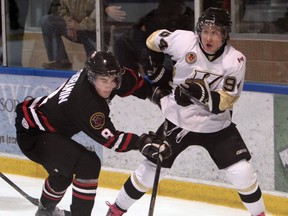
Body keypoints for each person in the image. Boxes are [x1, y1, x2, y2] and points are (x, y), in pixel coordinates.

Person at [106, 7, 268, 216]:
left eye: (215, 33)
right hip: (178, 120)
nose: (208, 38)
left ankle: (260, 214)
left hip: (216, 125)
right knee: (150, 169)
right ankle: (116, 211)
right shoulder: (183, 41)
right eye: (205, 31)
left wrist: (199, 93)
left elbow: (225, 101)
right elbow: (153, 39)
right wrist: (156, 68)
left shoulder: (235, 60)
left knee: (242, 173)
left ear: (225, 35)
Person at [14, 51, 172, 216]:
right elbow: (113, 140)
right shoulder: (85, 103)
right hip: (34, 133)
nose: (109, 85)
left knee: (63, 172)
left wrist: (156, 94)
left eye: (113, 80)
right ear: (91, 78)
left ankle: (45, 211)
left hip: (45, 124)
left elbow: (134, 83)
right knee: (87, 164)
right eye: (104, 81)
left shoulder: (109, 74)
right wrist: (141, 142)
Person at [112, 0, 194, 76]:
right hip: (153, 55)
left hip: (177, 56)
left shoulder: (188, 16)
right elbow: (139, 38)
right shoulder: (152, 19)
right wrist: (147, 64)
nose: (173, 15)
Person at [40, 0, 126, 70]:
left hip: (95, 32)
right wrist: (68, 23)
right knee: (47, 21)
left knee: (96, 68)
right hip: (75, 28)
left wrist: (79, 26)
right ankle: (61, 62)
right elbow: (60, 8)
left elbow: (100, 13)